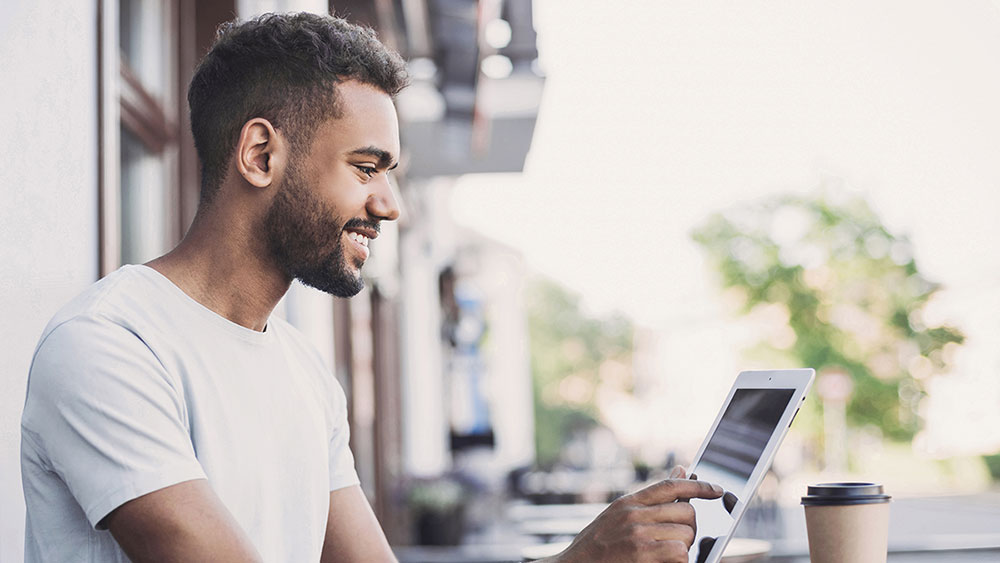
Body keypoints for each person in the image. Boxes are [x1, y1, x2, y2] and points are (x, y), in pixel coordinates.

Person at [20, 12, 722, 563]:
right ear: (261, 155)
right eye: (367, 167)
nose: (391, 204)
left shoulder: (302, 372)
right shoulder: (108, 348)